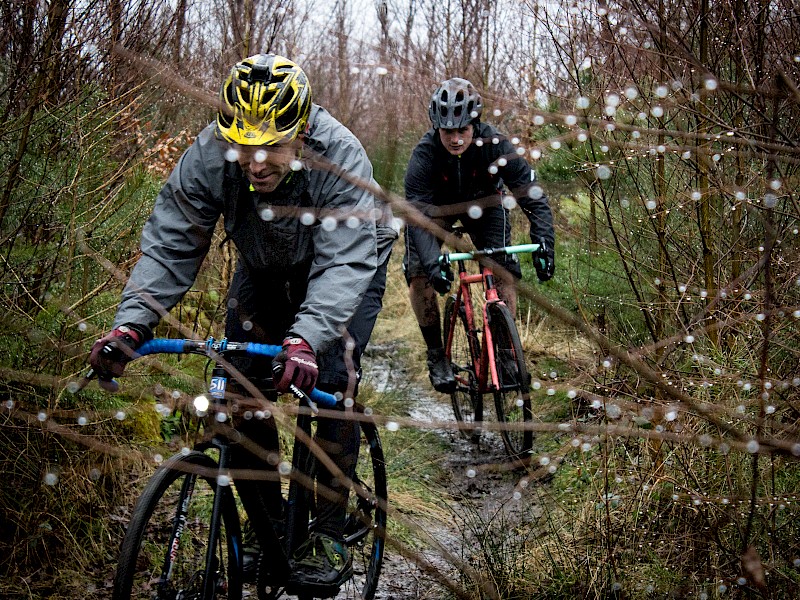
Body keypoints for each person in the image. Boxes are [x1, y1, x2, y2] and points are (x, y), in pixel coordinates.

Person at [89, 54, 397, 596]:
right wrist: (131, 326)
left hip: (351, 264)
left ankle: (325, 531)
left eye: (272, 146)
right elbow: (172, 241)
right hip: (264, 264)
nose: (255, 162)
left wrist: (304, 340)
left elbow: (345, 262)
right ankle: (269, 525)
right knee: (239, 383)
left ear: (300, 133)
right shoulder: (211, 153)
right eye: (243, 145)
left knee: (327, 378)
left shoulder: (339, 155)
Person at [403, 77, 555, 393]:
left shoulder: (497, 145)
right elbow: (417, 218)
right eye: (448, 131)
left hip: (485, 206)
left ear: (476, 123)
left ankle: (504, 354)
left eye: (463, 130)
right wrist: (432, 264)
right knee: (419, 275)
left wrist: (545, 242)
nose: (456, 139)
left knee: (503, 271)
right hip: (436, 212)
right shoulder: (424, 155)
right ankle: (436, 354)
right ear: (436, 128)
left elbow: (531, 195)